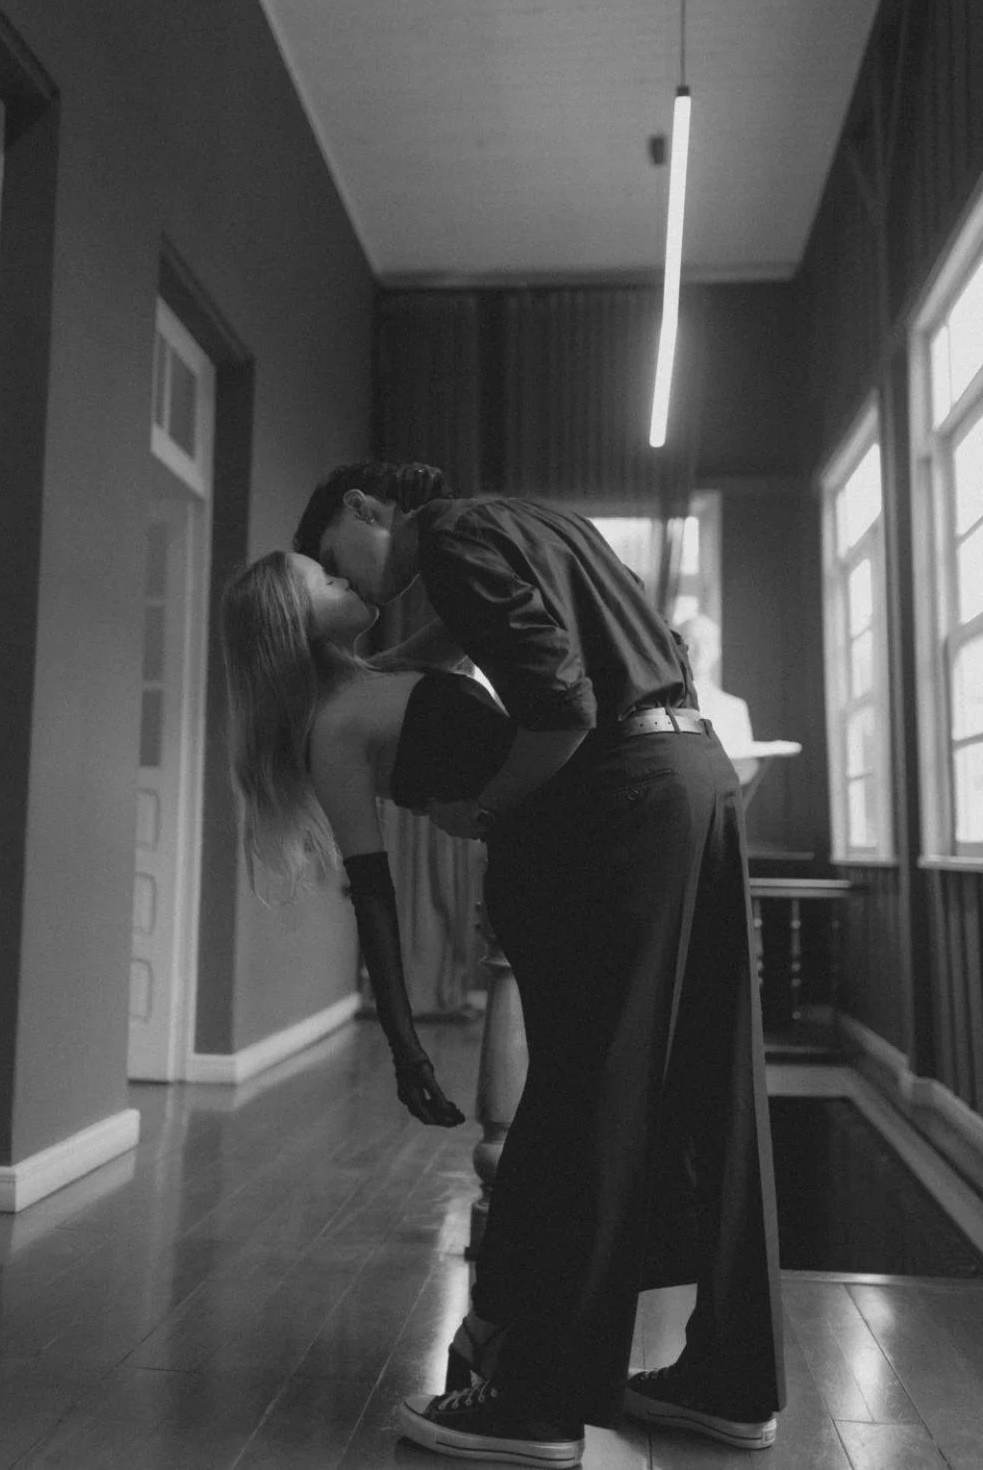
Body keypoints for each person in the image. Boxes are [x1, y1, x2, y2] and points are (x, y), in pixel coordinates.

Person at [292, 462, 786, 1468]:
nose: (356, 588)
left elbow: (559, 703)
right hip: (699, 777)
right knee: (714, 1082)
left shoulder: (450, 545)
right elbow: (496, 641)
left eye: (337, 559)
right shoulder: (527, 521)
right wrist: (384, 659)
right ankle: (730, 1379)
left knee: (586, 1093)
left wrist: (491, 807)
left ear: (366, 509)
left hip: (627, 792)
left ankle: (540, 1402)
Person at [221, 547, 514, 1129]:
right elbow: (374, 898)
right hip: (541, 849)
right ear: (295, 625)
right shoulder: (333, 733)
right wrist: (408, 1056)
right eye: (326, 581)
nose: (345, 581)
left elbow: (479, 603)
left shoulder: (384, 671)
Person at [677, 612, 759, 787]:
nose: (700, 650)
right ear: (678, 650)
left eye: (707, 642)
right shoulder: (665, 705)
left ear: (717, 651)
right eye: (691, 642)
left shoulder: (734, 707)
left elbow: (746, 768)